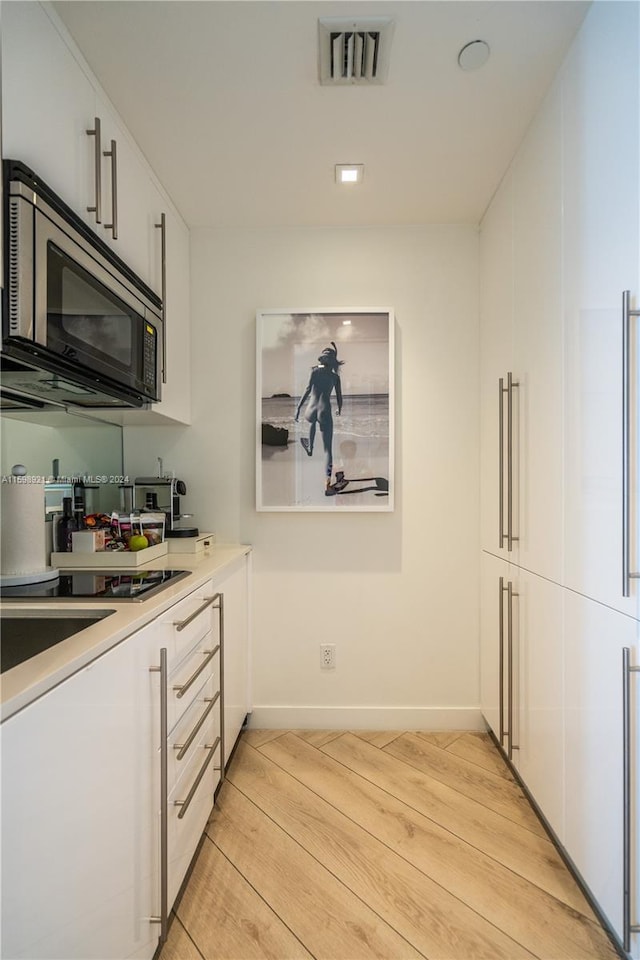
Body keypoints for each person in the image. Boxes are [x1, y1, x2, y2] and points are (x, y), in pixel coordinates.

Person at [295, 342, 346, 494]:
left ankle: (310, 446)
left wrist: (298, 408)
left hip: (310, 410)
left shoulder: (314, 371)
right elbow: (339, 396)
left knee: (311, 423)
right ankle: (327, 485)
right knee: (327, 451)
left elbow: (307, 389)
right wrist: (340, 408)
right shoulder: (335, 377)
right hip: (324, 411)